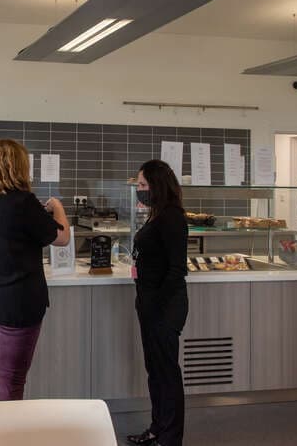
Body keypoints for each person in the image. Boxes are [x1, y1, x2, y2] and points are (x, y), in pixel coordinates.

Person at [0, 139, 70, 446]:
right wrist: (58, 209)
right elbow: (61, 238)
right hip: (18, 305)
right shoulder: (22, 201)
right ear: (20, 166)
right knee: (11, 380)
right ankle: (3, 440)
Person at [127, 159, 189, 446]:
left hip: (165, 308)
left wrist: (156, 304)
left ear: (157, 185)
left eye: (142, 184)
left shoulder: (172, 217)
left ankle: (171, 438)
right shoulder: (156, 213)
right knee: (155, 371)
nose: (139, 189)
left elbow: (177, 270)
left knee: (167, 373)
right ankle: (157, 428)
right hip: (149, 305)